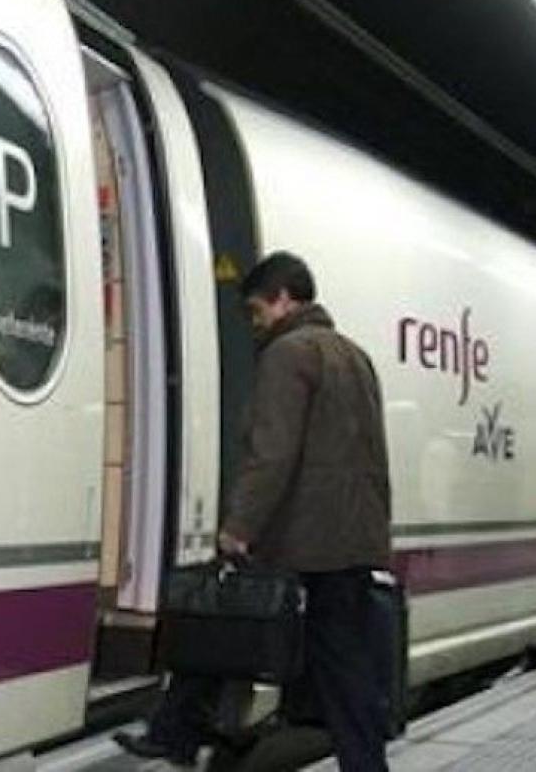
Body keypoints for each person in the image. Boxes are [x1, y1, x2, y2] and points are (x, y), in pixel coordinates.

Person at [115, 251, 395, 770]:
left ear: (283, 299)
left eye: (257, 310)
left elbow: (273, 451)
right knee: (338, 660)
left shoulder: (289, 354)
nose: (255, 322)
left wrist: (239, 526)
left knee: (225, 616)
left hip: (304, 539)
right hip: (351, 540)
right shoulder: (355, 356)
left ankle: (178, 732)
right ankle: (180, 731)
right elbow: (372, 454)